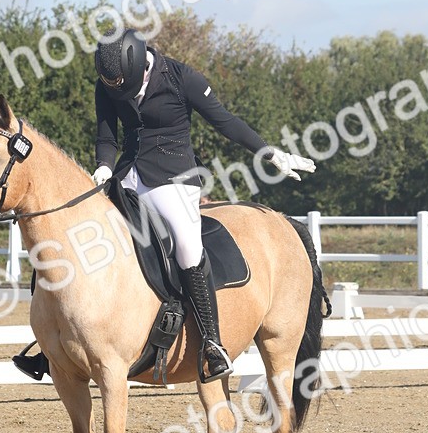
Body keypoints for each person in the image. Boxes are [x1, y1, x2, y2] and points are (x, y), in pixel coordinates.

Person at [93, 29, 316, 381]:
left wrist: (270, 153)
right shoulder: (110, 80)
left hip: (173, 176)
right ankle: (55, 341)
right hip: (128, 174)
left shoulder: (182, 78)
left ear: (139, 66)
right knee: (83, 229)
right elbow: (106, 135)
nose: (121, 93)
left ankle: (212, 343)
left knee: (186, 245)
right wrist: (104, 166)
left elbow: (225, 121)